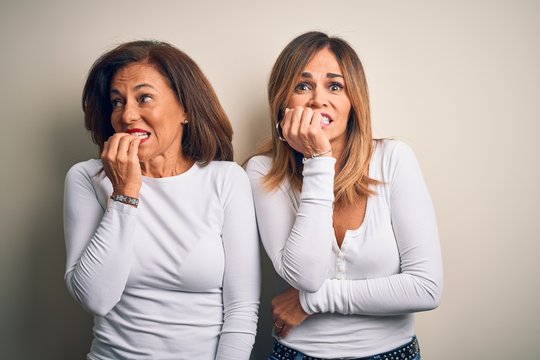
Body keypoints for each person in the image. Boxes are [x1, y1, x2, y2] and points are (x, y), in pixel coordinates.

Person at [246, 31, 443, 360]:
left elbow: (426, 288)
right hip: (297, 354)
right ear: (282, 102)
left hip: (390, 353)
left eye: (334, 86)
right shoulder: (261, 171)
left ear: (354, 101)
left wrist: (310, 301)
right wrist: (318, 162)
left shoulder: (394, 158)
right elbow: (306, 275)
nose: (317, 100)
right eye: (303, 85)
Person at [63, 40, 260, 360]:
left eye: (144, 98)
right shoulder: (87, 179)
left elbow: (241, 309)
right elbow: (95, 298)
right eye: (116, 102)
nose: (127, 115)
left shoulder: (226, 179)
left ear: (184, 108)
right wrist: (124, 195)